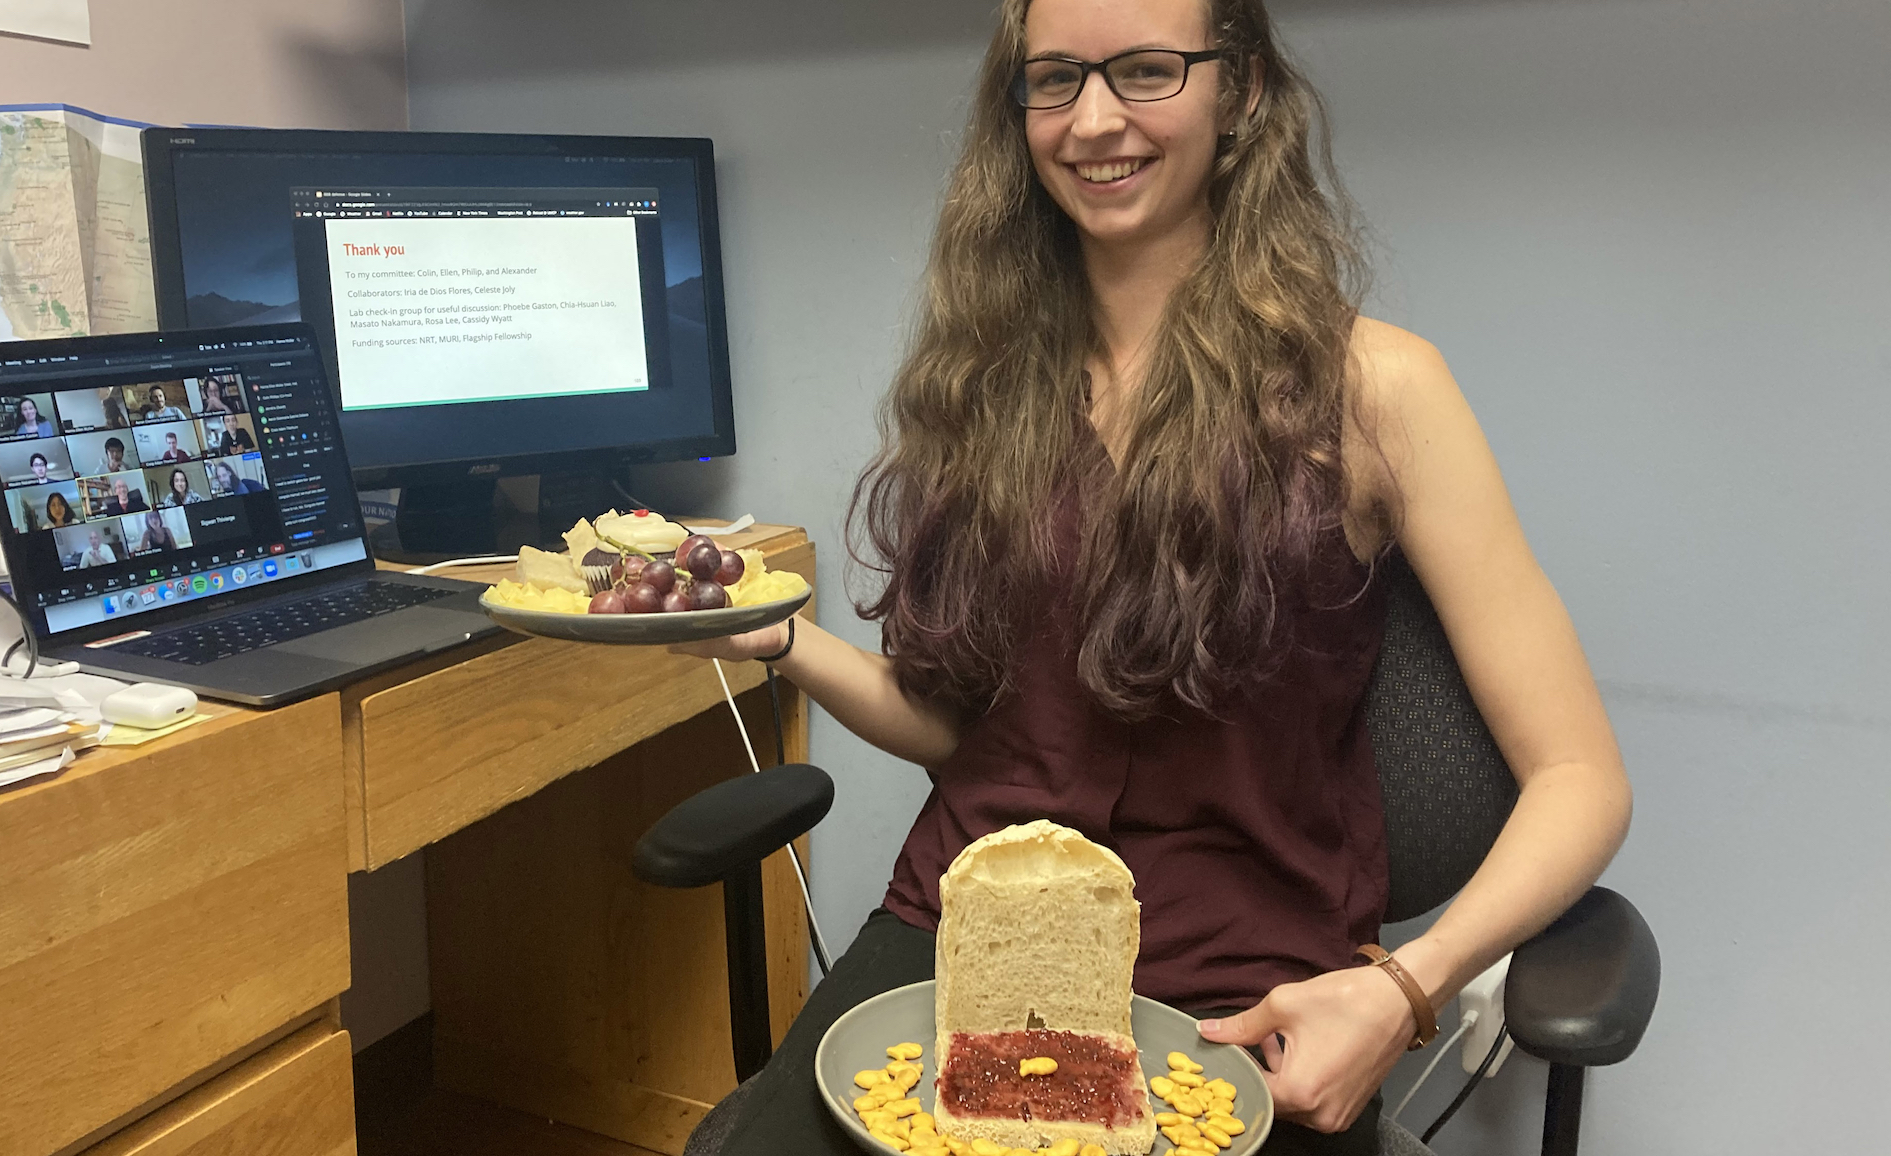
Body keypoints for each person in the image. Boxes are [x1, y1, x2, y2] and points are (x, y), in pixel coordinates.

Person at [675, 3, 1632, 1154]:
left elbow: (1579, 777)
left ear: (1239, 91)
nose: (1091, 120)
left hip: (1244, 999)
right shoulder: (981, 387)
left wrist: (1402, 991)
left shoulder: (1377, 393)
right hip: (961, 942)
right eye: (1054, 80)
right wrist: (780, 636)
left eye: (1143, 71)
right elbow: (963, 734)